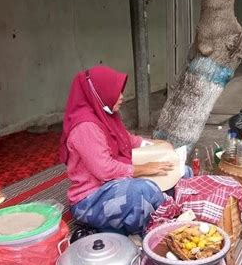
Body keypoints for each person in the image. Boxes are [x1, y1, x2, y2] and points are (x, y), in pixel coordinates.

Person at [60, 66, 173, 235]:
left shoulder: (105, 113)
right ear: (101, 92)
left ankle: (151, 215)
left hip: (112, 185)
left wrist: (156, 145)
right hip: (91, 199)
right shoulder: (85, 127)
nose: (121, 97)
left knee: (178, 171)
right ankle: (128, 231)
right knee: (143, 191)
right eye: (117, 92)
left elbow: (128, 140)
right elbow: (105, 170)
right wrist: (143, 169)